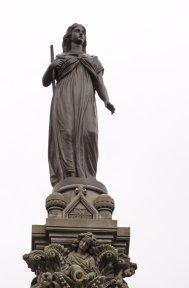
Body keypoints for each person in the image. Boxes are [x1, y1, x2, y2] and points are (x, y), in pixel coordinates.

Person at [42, 23, 115, 187]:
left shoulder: (93, 60)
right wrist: (51, 67)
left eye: (83, 32)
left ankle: (87, 174)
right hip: (65, 97)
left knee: (88, 132)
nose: (81, 34)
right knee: (66, 132)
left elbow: (100, 84)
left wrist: (106, 100)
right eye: (77, 31)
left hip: (86, 99)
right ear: (70, 35)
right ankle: (69, 174)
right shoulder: (61, 58)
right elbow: (45, 82)